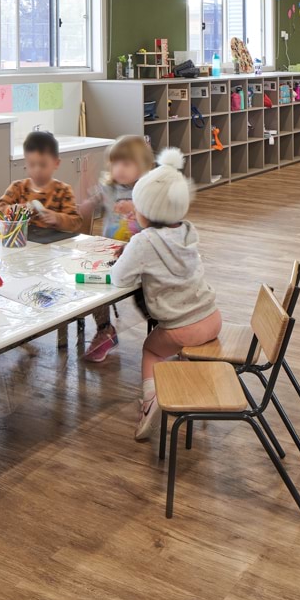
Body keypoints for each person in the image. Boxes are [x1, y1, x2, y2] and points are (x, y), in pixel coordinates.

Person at [111, 148, 221, 440]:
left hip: (182, 328)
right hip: (212, 317)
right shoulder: (187, 231)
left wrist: (126, 255)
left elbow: (118, 277)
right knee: (178, 345)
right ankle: (182, 385)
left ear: (145, 213)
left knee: (151, 348)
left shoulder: (143, 241)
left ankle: (150, 400)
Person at [77, 135, 155, 363]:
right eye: (115, 163)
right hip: (112, 255)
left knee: (144, 300)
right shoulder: (108, 189)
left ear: (142, 165)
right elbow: (84, 208)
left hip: (142, 257)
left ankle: (166, 332)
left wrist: (136, 206)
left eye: (126, 163)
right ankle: (105, 331)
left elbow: (159, 218)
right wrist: (85, 182)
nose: (118, 169)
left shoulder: (148, 190)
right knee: (96, 289)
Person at [0, 131, 81, 233]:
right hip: (22, 243)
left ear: (56, 163)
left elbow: (76, 222)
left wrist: (58, 218)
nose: (37, 170)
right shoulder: (17, 188)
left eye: (43, 165)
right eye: (31, 164)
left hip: (52, 245)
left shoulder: (63, 191)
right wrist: (15, 209)